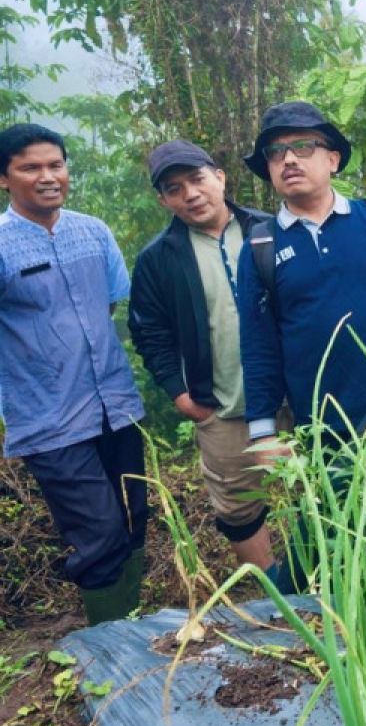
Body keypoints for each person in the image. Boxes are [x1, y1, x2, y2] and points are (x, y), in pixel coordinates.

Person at [237, 102, 366, 590]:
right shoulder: (261, 247)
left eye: (303, 146)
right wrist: (262, 432)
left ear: (334, 159)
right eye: (276, 152)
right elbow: (257, 345)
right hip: (325, 420)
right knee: (343, 534)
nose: (289, 160)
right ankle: (361, 622)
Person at [0, 123, 148, 625]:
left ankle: (134, 623)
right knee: (99, 533)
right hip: (50, 420)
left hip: (116, 405)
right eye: (31, 167)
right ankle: (113, 645)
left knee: (134, 518)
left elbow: (107, 307)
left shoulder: (94, 231)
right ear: (5, 178)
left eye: (55, 165)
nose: (47, 176)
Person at [129, 140, 288, 572]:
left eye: (197, 179)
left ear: (219, 176)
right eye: (175, 188)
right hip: (222, 404)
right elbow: (149, 333)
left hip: (292, 396)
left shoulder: (271, 229)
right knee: (238, 507)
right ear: (163, 200)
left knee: (313, 487)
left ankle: (323, 583)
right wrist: (181, 396)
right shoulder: (158, 260)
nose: (191, 194)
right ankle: (273, 596)